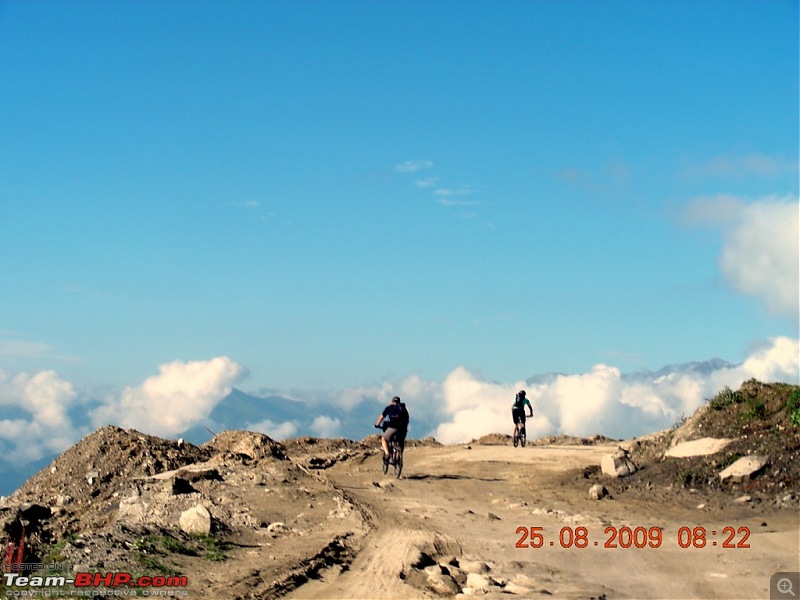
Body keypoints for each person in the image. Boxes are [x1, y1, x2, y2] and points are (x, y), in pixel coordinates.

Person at [375, 396, 410, 462]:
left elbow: (381, 418)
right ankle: (399, 455)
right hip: (403, 429)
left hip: (393, 427)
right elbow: (407, 419)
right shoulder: (403, 409)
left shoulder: (389, 408)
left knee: (384, 439)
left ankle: (387, 454)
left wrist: (377, 424)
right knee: (401, 441)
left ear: (392, 401)